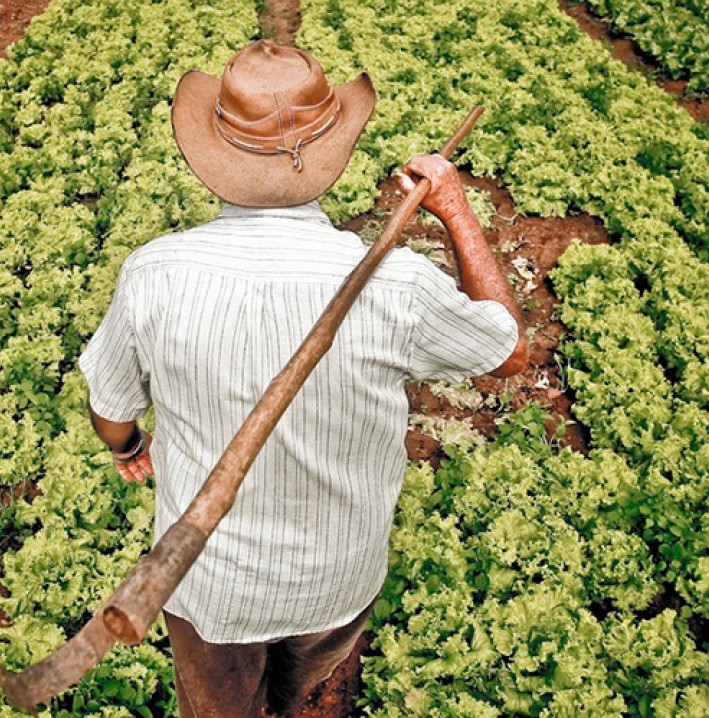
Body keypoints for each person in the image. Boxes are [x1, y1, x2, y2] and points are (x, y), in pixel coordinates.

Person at [77, 39, 527, 717]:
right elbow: (507, 350)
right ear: (333, 153)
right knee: (310, 691)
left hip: (209, 590)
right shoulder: (395, 283)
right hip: (335, 580)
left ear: (212, 157)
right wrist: (457, 212)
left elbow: (110, 408)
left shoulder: (154, 275)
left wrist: (127, 448)